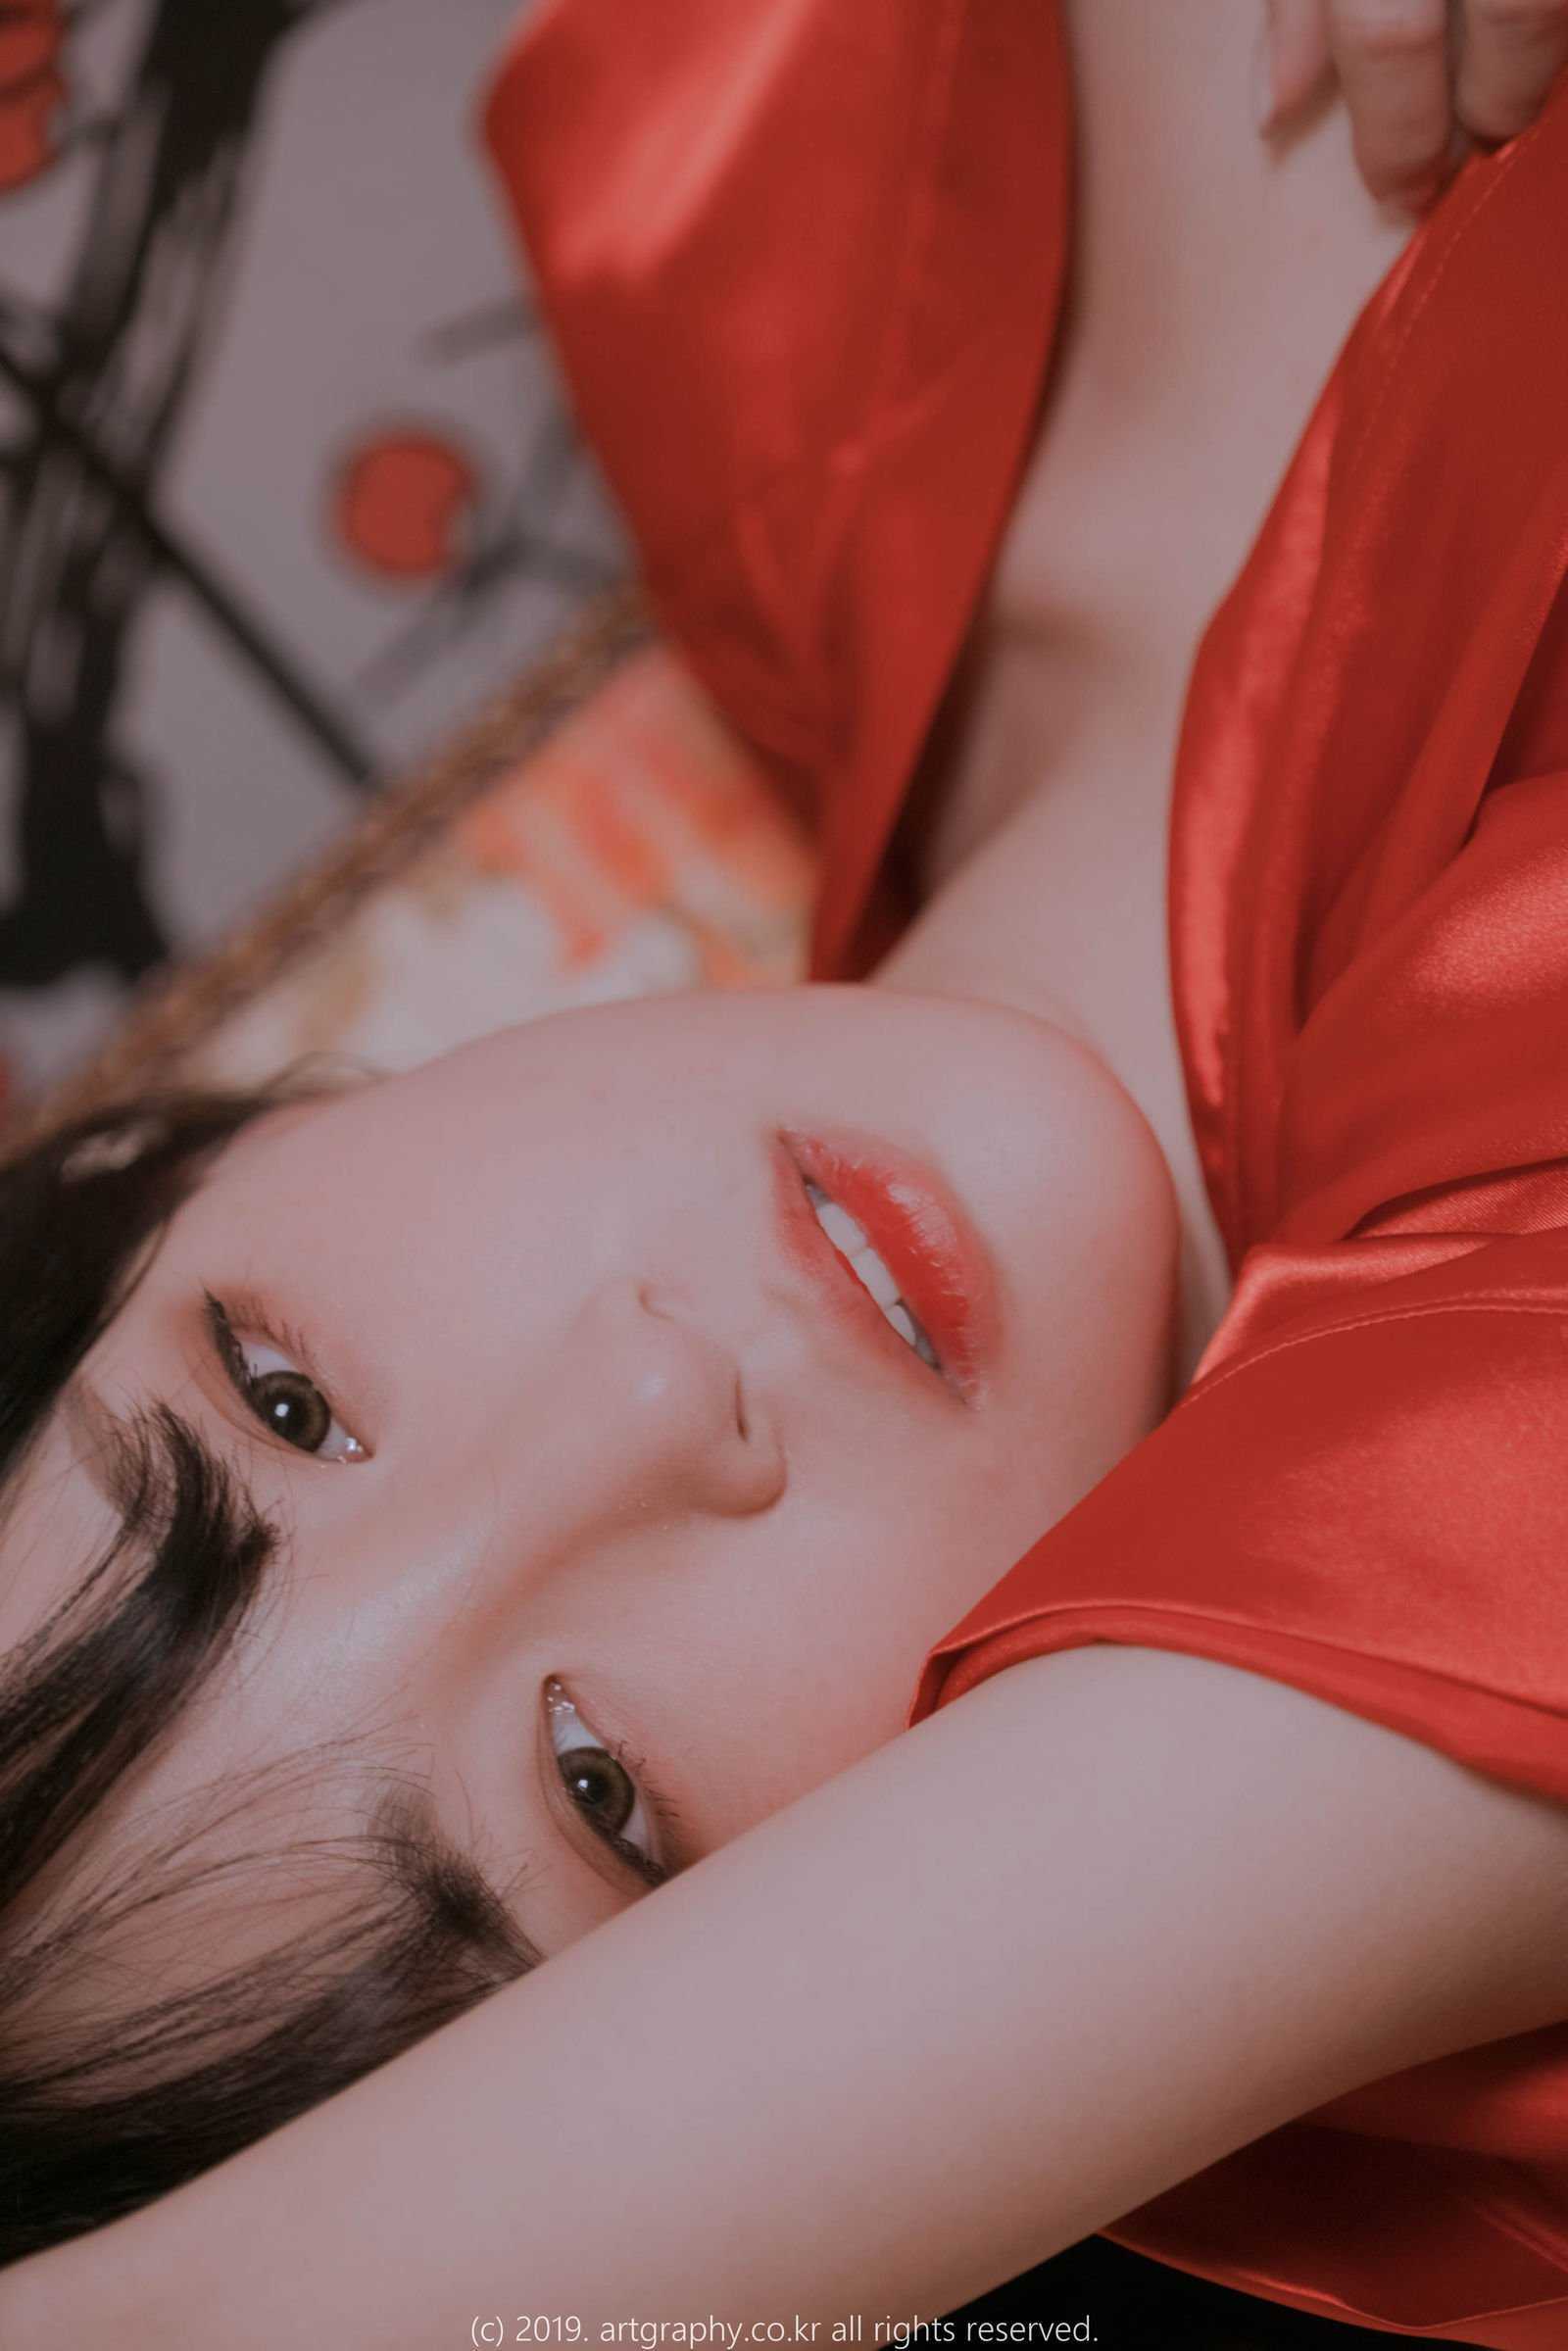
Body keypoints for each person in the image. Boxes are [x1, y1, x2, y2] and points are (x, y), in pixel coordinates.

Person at [7, 3, 1568, 2344]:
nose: (653, 1405)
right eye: (599, 1794)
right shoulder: (1467, 1479)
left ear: (211, 1153)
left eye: (282, 1398)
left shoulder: (723, 262)